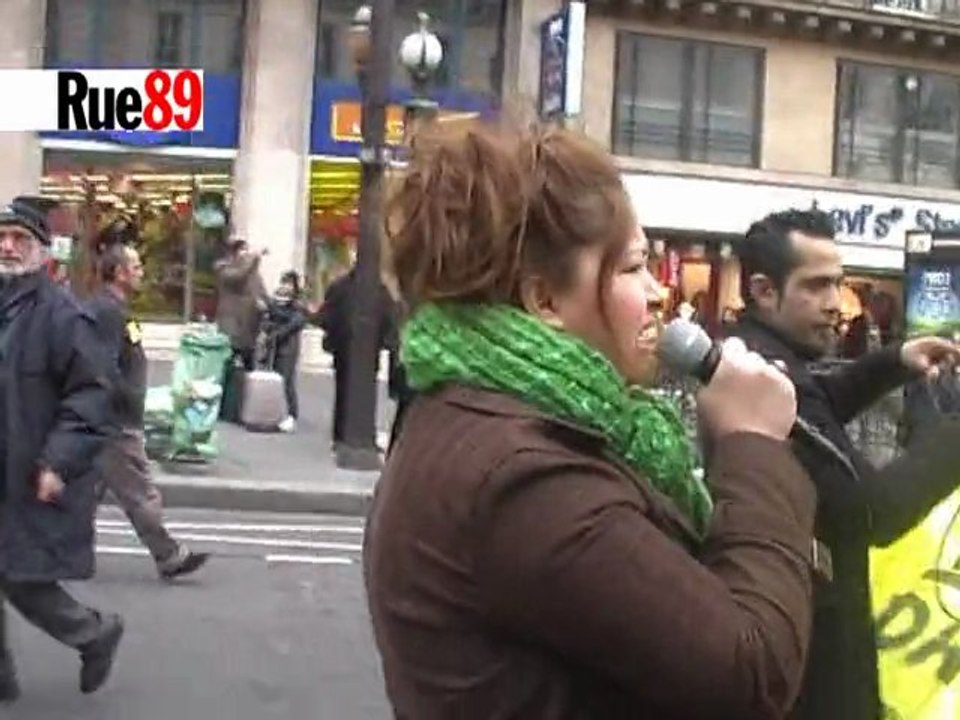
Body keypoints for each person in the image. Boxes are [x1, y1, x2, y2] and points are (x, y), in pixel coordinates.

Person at [364, 122, 821, 718]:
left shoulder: (487, 416)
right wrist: (753, 446)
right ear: (545, 301)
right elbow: (750, 672)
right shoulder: (525, 483)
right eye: (633, 268)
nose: (658, 293)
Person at [728, 209, 960, 720]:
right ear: (764, 291)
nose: (836, 304)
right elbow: (873, 513)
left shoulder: (756, 357)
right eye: (816, 286)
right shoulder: (764, 375)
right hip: (818, 663)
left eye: (839, 283)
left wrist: (895, 361)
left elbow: (818, 398)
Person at [0, 200, 123, 702]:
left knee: (22, 576)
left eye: (19, 240)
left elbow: (91, 396)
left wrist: (58, 461)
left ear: (43, 252)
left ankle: (93, 633)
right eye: (1, 238)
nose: (7, 247)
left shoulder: (63, 315)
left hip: (26, 467)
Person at [87, 244, 210, 580]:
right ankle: (169, 555)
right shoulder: (108, 312)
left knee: (86, 491)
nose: (142, 272)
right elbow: (103, 365)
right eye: (136, 267)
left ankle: (59, 551)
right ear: (119, 273)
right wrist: (126, 400)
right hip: (115, 423)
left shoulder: (115, 309)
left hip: (110, 419)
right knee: (139, 491)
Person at [263, 270, 307, 433]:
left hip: (288, 348)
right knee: (275, 380)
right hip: (274, 346)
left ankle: (291, 414)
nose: (285, 286)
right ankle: (275, 412)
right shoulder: (276, 301)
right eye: (283, 282)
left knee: (287, 381)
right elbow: (268, 319)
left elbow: (297, 322)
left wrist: (276, 332)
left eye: (288, 283)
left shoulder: (298, 305)